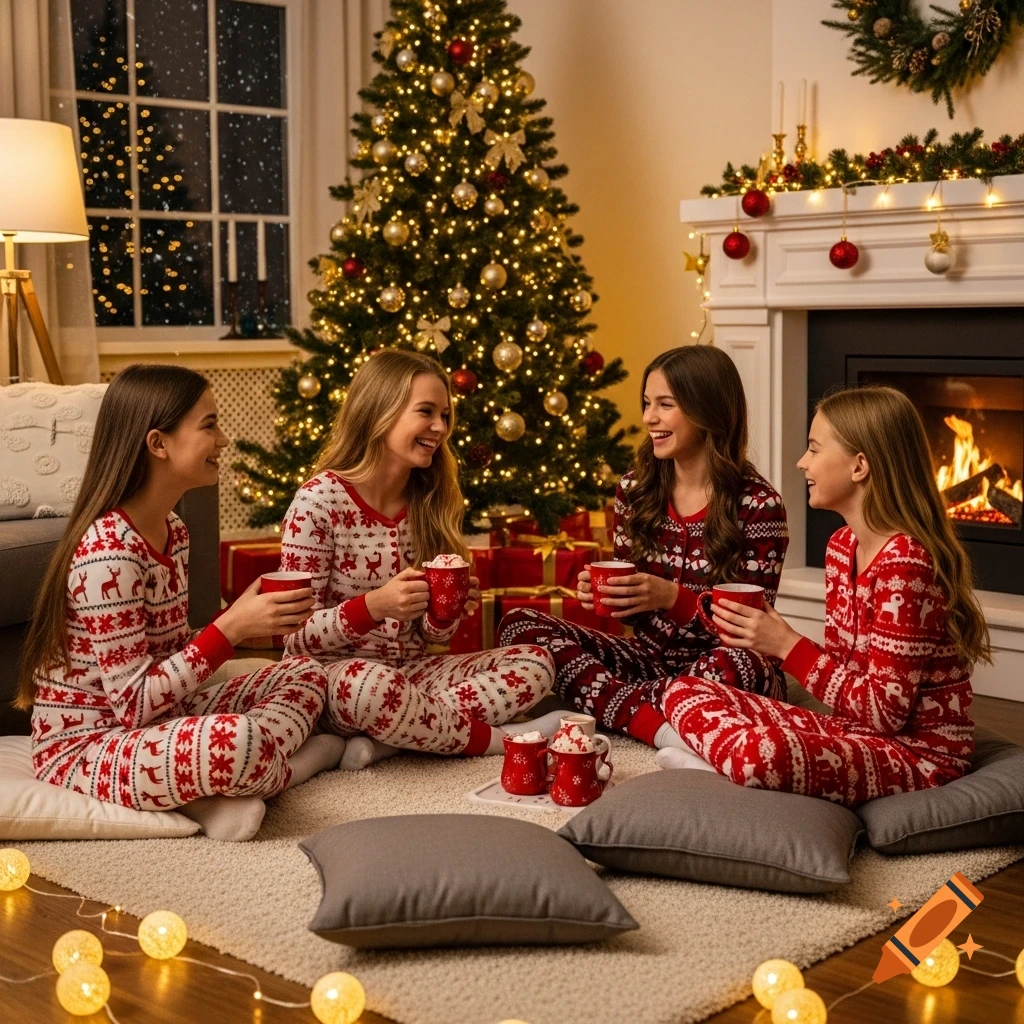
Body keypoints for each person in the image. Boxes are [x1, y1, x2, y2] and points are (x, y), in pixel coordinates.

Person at [18, 365, 341, 841]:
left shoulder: (174, 531)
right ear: (158, 443)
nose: (223, 440)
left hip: (167, 717)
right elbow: (133, 705)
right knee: (240, 742)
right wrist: (231, 629)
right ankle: (297, 768)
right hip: (88, 744)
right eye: (209, 426)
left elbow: (171, 652)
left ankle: (216, 791)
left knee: (307, 675)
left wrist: (243, 619)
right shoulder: (110, 552)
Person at [658, 385, 986, 807]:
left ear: (859, 466)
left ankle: (719, 763)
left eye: (814, 449)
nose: (802, 462)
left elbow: (885, 713)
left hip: (917, 755)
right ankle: (726, 763)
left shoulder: (905, 564)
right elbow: (847, 676)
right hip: (852, 731)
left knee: (766, 753)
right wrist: (773, 638)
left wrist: (787, 646)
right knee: (682, 689)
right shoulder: (842, 546)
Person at [497, 345, 788, 748]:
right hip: (648, 661)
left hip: (723, 667)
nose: (649, 417)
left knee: (740, 665)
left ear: (707, 410)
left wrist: (673, 598)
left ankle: (618, 707)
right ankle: (655, 714)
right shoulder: (635, 489)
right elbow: (635, 619)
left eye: (665, 404)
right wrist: (616, 597)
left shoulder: (758, 504)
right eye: (647, 403)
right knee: (520, 625)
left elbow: (750, 632)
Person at [280, 349, 555, 770]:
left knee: (536, 663)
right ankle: (495, 740)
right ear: (380, 412)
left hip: (412, 673)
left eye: (444, 415)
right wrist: (374, 606)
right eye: (426, 412)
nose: (440, 427)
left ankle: (393, 738)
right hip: (334, 681)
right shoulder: (318, 501)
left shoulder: (430, 499)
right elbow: (295, 635)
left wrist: (445, 612)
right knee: (369, 687)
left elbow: (429, 638)